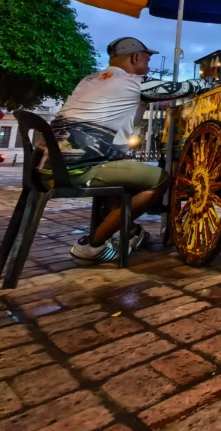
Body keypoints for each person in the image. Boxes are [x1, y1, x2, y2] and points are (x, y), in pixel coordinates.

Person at [47, 36, 212, 262]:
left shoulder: (88, 80)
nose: (149, 64)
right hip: (78, 169)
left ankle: (132, 232)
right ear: (135, 57)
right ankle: (92, 246)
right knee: (159, 179)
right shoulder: (131, 82)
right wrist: (208, 83)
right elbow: (184, 87)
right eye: (147, 58)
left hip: (47, 166)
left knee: (124, 175)